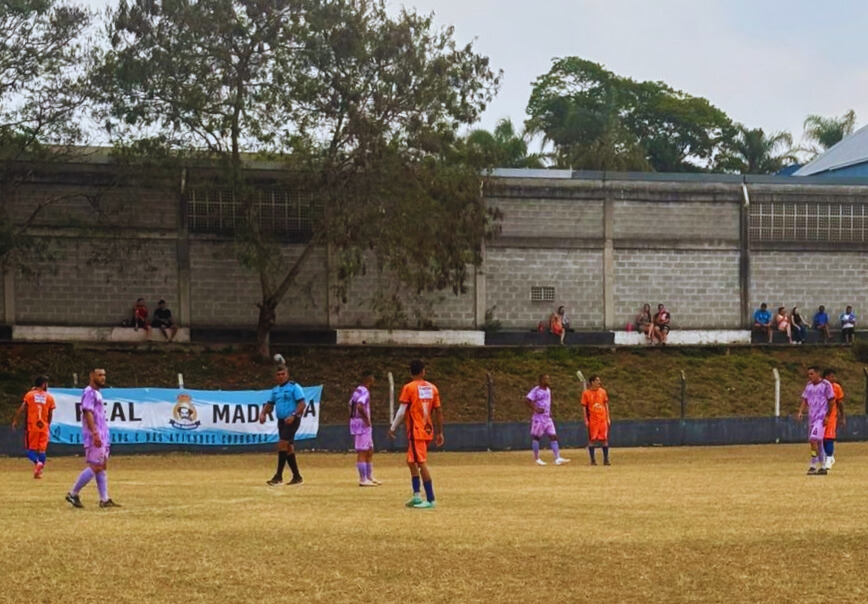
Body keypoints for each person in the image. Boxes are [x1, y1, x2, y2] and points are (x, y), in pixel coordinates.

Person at [388, 360, 443, 509]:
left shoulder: (409, 388)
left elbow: (401, 411)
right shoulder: (432, 388)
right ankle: (417, 495)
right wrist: (440, 432)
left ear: (411, 373)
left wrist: (393, 427)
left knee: (421, 462)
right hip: (427, 430)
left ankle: (431, 499)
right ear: (423, 371)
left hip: (415, 431)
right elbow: (438, 410)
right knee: (411, 461)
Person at [65, 369, 120, 508]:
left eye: (104, 375)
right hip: (95, 434)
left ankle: (104, 499)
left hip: (103, 434)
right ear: (92, 375)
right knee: (96, 465)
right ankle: (73, 493)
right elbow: (87, 411)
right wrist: (94, 432)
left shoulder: (98, 393)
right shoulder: (89, 392)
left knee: (102, 465)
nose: (103, 378)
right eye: (100, 375)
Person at [259, 355, 306, 486]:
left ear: (287, 375)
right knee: (289, 448)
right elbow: (270, 404)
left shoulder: (294, 387)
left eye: (283, 374)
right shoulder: (275, 390)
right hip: (281, 421)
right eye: (278, 374)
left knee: (281, 444)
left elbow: (302, 404)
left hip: (292, 420)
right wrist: (263, 413)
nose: (280, 376)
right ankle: (297, 477)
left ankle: (278, 476)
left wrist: (293, 414)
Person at [11, 375, 56, 479]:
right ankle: (39, 472)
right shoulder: (49, 397)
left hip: (32, 426)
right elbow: (50, 413)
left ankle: (37, 463)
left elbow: (22, 408)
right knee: (42, 450)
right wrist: (48, 424)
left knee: (30, 450)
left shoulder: (30, 395)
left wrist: (15, 420)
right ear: (44, 384)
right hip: (44, 426)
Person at [524, 374, 570, 466]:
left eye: (549, 379)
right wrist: (535, 408)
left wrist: (549, 411)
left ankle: (557, 458)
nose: (548, 380)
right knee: (536, 437)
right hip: (539, 418)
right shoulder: (536, 390)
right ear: (541, 380)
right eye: (546, 379)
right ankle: (537, 458)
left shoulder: (548, 390)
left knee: (553, 436)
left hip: (547, 418)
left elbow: (547, 403)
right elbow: (527, 399)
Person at [797, 366, 835, 476]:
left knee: (813, 439)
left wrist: (827, 416)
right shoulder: (809, 386)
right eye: (809, 374)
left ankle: (813, 464)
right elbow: (805, 399)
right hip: (812, 417)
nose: (810, 376)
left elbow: (832, 401)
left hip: (821, 417)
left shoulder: (826, 385)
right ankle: (823, 466)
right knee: (818, 442)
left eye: (812, 374)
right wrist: (800, 412)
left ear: (818, 373)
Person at [349, 370, 380, 487]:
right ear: (369, 379)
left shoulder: (357, 390)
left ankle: (369, 476)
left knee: (370, 449)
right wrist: (366, 419)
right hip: (362, 425)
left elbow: (350, 404)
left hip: (356, 422)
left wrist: (353, 418)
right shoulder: (365, 392)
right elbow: (359, 406)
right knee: (363, 450)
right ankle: (363, 479)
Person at [581, 375, 611, 466]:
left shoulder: (603, 392)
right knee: (592, 439)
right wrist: (586, 419)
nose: (599, 382)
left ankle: (606, 460)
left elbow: (606, 405)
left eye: (599, 380)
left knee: (604, 439)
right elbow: (584, 407)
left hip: (602, 419)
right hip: (593, 420)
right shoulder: (586, 393)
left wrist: (608, 417)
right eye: (597, 380)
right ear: (592, 382)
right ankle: (593, 460)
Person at [822, 369, 845, 470]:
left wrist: (842, 416)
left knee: (829, 437)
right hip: (820, 416)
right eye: (831, 376)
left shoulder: (836, 387)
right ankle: (828, 456)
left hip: (831, 416)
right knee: (821, 438)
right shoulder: (820, 387)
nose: (833, 379)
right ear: (826, 377)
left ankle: (829, 457)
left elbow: (840, 403)